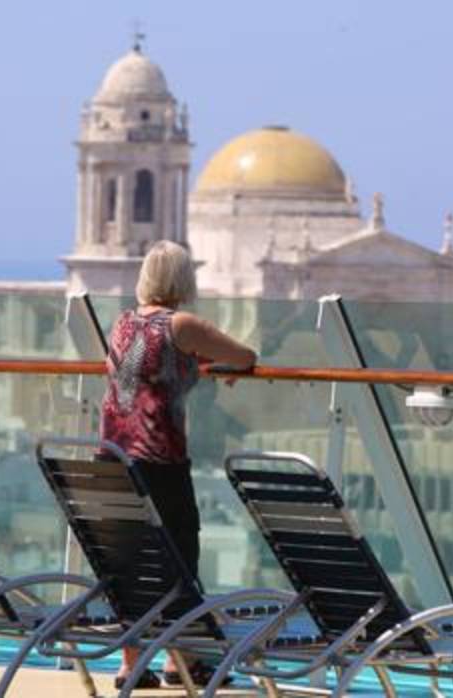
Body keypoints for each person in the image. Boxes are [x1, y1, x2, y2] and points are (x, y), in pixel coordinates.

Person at [100, 240, 257, 689]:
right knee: (179, 556)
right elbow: (245, 356)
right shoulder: (182, 324)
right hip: (159, 457)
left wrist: (198, 360)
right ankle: (182, 662)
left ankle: (132, 664)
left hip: (113, 454)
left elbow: (144, 365)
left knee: (131, 558)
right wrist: (214, 361)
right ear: (183, 280)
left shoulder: (123, 322)